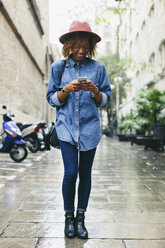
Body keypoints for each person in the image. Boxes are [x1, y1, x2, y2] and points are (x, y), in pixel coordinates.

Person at [46, 20, 111, 239]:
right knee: (70, 173)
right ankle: (68, 219)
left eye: (86, 46)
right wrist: (66, 89)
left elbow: (105, 101)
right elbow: (52, 99)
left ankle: (80, 218)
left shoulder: (98, 68)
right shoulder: (59, 67)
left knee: (85, 174)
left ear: (91, 46)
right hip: (66, 129)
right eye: (78, 46)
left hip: (89, 129)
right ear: (69, 44)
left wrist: (94, 90)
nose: (82, 50)